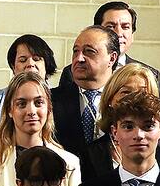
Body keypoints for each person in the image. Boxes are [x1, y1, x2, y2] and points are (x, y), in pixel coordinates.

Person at [0, 71, 81, 186]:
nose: (31, 111)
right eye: (22, 104)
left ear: (49, 108)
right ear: (10, 110)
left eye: (38, 103)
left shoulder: (70, 163)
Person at [80, 63, 160, 182]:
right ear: (110, 98)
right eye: (126, 92)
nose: (134, 98)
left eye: (142, 93)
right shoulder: (90, 154)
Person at [57, 1, 160, 96]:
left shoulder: (149, 74)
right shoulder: (73, 71)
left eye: (125, 27)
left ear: (132, 33)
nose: (118, 33)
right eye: (110, 26)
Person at [51, 25, 119, 165]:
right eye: (76, 51)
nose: (79, 58)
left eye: (89, 51)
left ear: (112, 58)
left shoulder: (124, 100)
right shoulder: (51, 100)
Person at [0, 34, 57, 140]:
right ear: (13, 67)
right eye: (23, 60)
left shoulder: (58, 98)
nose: (30, 64)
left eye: (36, 59)